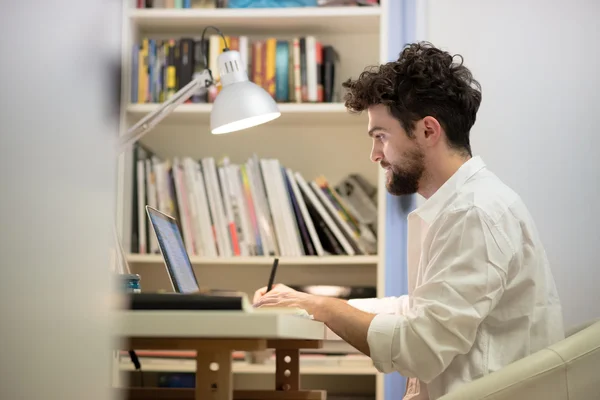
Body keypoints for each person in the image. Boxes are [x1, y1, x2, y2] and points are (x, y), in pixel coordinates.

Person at [252, 42, 564, 400]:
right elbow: (417, 312)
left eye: (381, 137)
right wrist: (304, 303)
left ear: (428, 131)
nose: (374, 155)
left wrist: (322, 307)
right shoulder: (465, 205)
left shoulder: (475, 213)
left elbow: (420, 348)